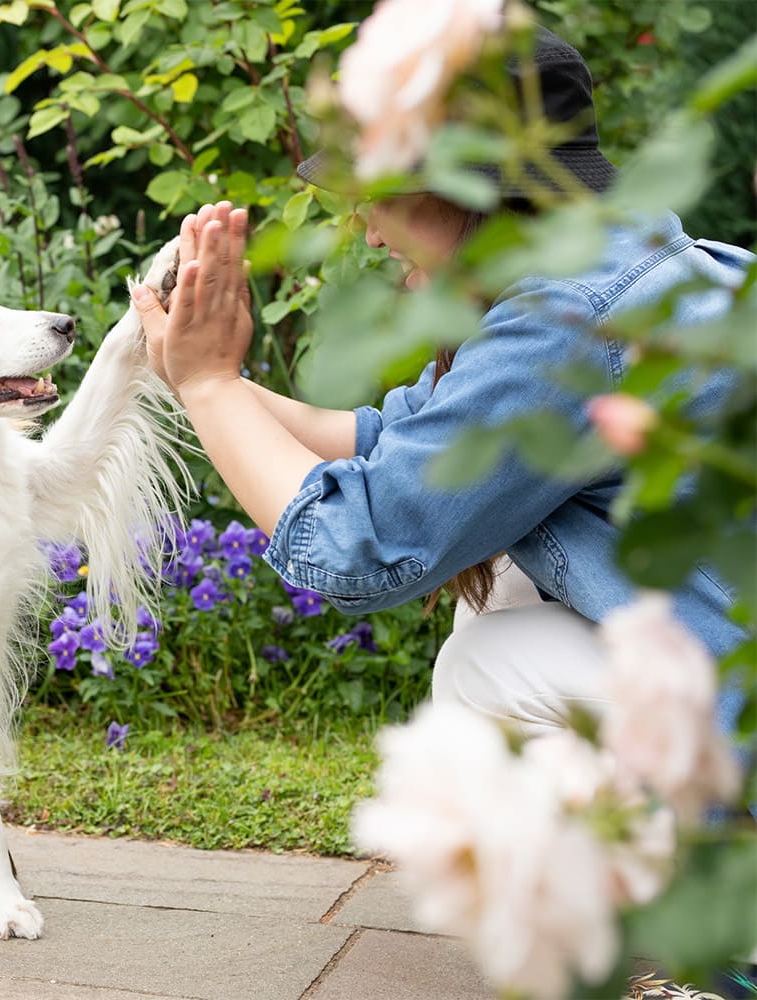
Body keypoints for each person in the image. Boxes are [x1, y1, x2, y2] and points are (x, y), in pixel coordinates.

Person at [128, 27, 753, 740]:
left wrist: (213, 387)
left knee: (485, 664)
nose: (368, 232)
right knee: (504, 603)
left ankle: (667, 844)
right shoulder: (623, 259)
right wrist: (198, 375)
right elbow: (395, 442)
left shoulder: (567, 324)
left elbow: (360, 546)